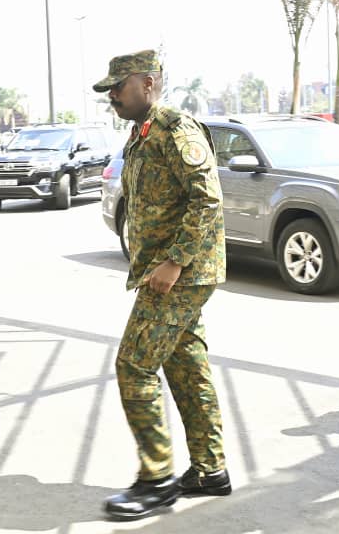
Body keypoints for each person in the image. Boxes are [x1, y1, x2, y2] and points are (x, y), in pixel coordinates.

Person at [91, 50, 229, 521]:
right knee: (186, 365)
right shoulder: (142, 132)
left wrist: (173, 262)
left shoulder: (177, 130)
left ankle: (156, 479)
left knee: (133, 365)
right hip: (165, 272)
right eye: (110, 89)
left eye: (119, 86)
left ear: (148, 84)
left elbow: (207, 201)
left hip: (180, 275)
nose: (112, 95)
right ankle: (210, 470)